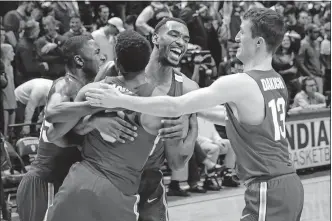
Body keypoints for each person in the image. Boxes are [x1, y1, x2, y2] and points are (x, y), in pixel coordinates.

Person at [86, 8, 304, 221]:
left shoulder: (240, 82)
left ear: (258, 42)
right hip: (284, 184)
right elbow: (236, 120)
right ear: (154, 38)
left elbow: (175, 107)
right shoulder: (276, 81)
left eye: (243, 32)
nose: (236, 36)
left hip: (268, 187)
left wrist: (119, 100)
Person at [44, 30, 198, 221]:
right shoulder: (160, 107)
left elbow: (55, 134)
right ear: (148, 58)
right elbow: (178, 162)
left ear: (117, 62)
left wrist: (91, 119)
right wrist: (193, 127)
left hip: (77, 183)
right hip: (118, 193)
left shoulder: (94, 90)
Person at [16, 35, 105, 221]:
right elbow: (52, 111)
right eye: (97, 52)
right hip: (44, 184)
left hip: (64, 183)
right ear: (79, 60)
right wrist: (95, 107)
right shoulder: (65, 84)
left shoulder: (83, 89)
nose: (102, 57)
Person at [1, 44, 16, 139]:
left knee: (12, 130)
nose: (14, 54)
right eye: (11, 52)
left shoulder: (11, 67)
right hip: (4, 102)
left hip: (12, 101)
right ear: (5, 54)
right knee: (4, 131)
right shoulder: (2, 68)